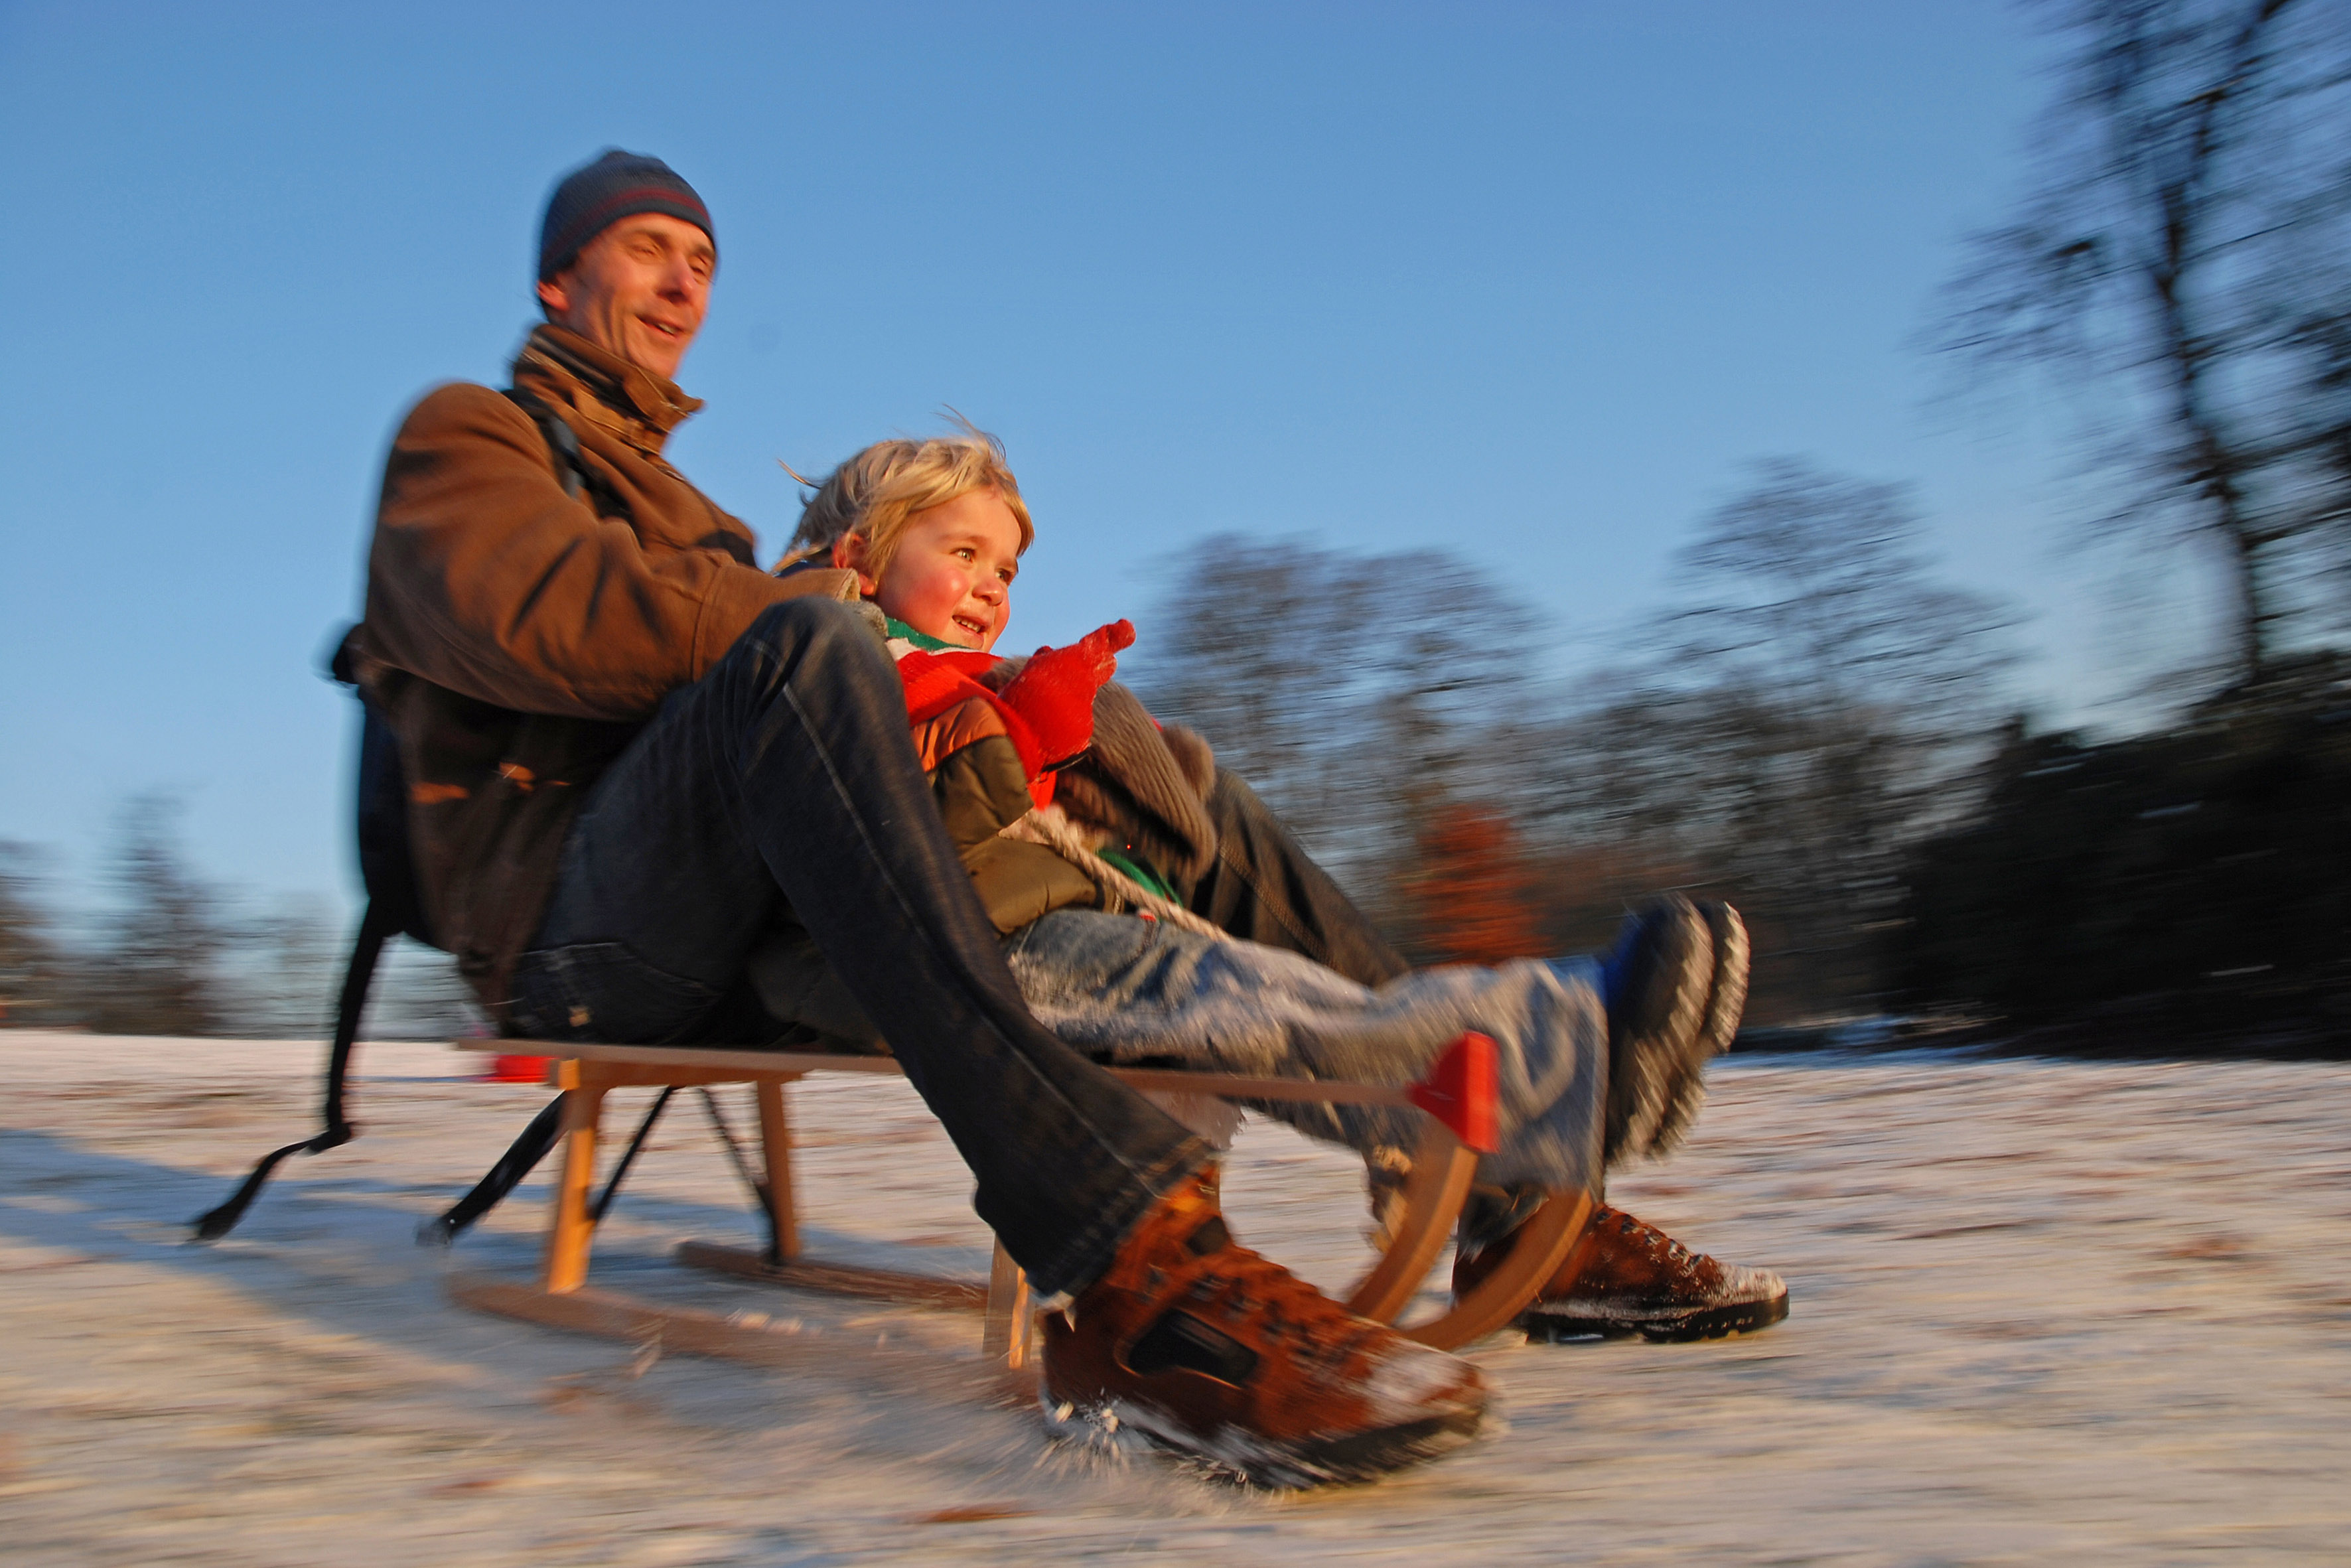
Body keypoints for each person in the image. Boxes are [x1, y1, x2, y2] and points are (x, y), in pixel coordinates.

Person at [346, 149, 1758, 1490]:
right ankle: (1132, 1270)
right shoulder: (468, 439)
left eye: (701, 258)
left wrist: (1052, 740)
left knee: (1173, 774)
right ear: (556, 279)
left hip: (757, 915)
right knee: (818, 654)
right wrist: (838, 622)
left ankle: (1501, 1189)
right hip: (583, 941)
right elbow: (534, 615)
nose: (680, 282)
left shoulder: (705, 532)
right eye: (645, 247)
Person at [780, 434, 1794, 1344]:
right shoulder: (830, 665)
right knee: (1252, 1008)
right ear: (861, 555)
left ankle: (1534, 1118)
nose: (992, 587)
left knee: (1266, 988)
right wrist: (1025, 737)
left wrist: (1116, 772)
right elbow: (877, 843)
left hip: (1061, 916)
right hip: (968, 949)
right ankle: (1559, 1057)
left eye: (1005, 568)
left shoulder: (936, 669)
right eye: (962, 555)